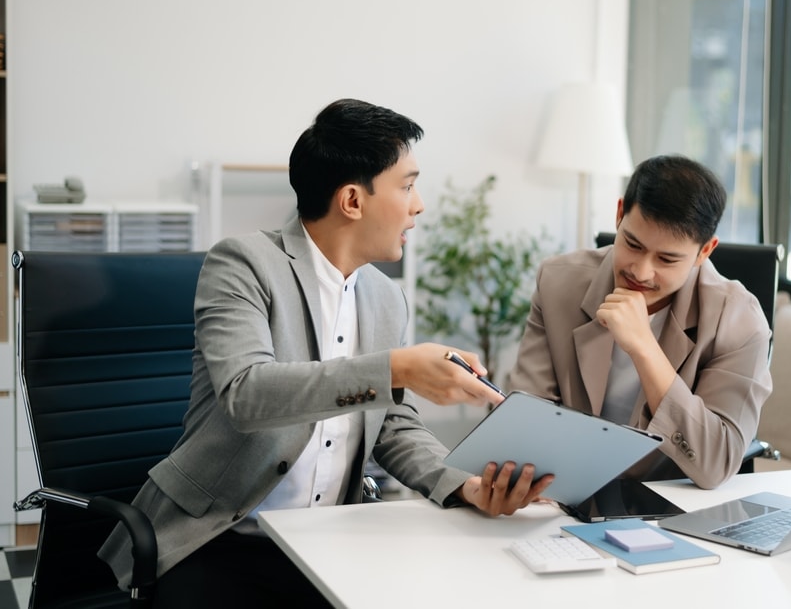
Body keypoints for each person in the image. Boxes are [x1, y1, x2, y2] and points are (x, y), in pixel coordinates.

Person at [99, 98, 553, 608]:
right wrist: (397, 367)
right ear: (353, 201)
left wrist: (465, 486)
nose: (418, 204)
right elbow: (247, 394)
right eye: (406, 185)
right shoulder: (243, 264)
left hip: (330, 542)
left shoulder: (386, 298)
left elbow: (393, 425)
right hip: (218, 539)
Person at [507, 154, 772, 490]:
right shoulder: (560, 282)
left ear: (705, 251)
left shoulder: (740, 321)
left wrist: (644, 348)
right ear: (619, 214)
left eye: (667, 259)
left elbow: (715, 464)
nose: (641, 271)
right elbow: (526, 416)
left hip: (669, 505)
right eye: (633, 244)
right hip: (565, 493)